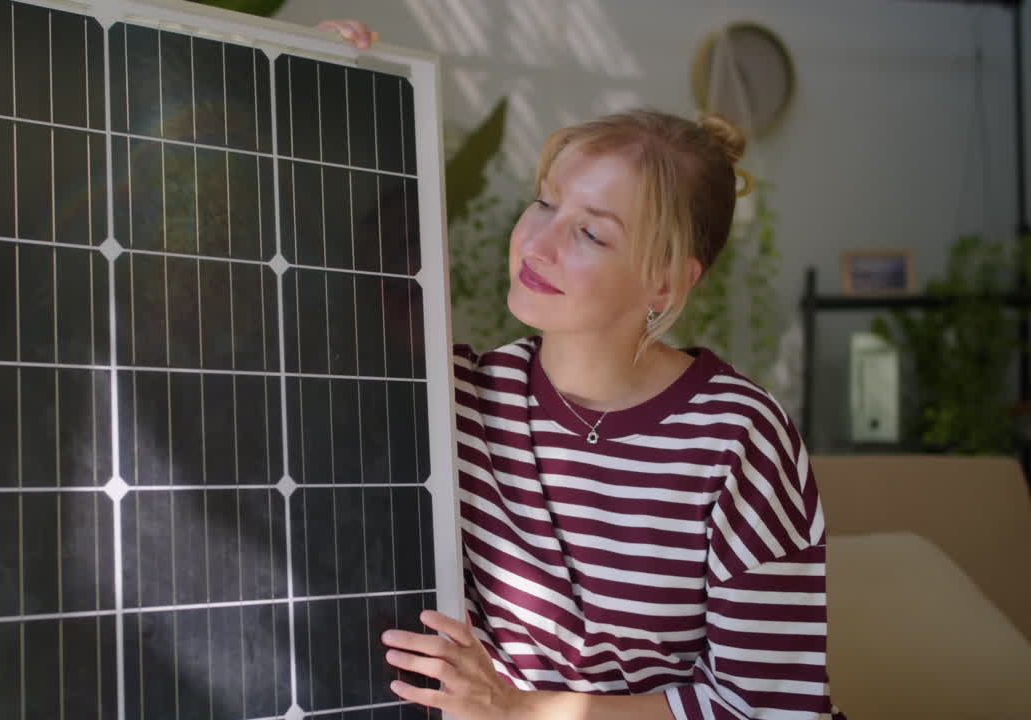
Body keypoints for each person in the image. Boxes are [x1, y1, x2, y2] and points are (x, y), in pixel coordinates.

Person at [320, 19, 844, 720]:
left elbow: (762, 708)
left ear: (665, 286)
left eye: (591, 232)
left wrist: (517, 710)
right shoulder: (461, 398)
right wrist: (318, 82)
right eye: (544, 202)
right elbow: (306, 334)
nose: (537, 241)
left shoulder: (738, 440)